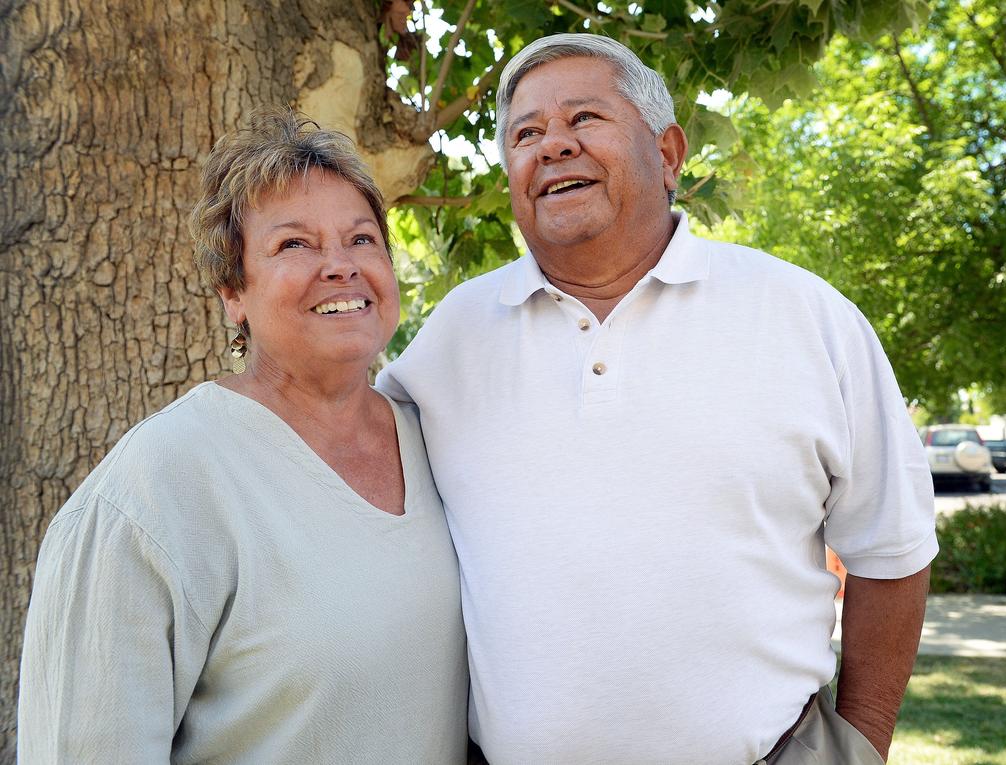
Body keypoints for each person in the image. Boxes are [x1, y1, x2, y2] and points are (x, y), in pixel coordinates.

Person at [378, 34, 936, 764]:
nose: (554, 146)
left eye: (584, 119)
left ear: (668, 154)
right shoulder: (451, 336)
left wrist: (859, 745)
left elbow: (891, 549)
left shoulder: (804, 315)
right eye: (526, 133)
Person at [18, 110, 467, 763]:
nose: (340, 266)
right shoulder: (154, 491)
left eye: (362, 239)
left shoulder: (439, 440)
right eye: (294, 245)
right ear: (234, 292)